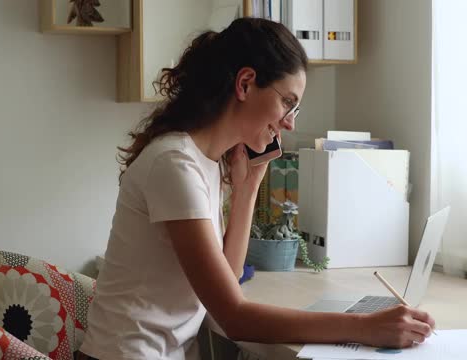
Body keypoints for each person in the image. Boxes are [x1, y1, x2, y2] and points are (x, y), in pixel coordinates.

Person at [78, 17, 435, 360]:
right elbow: (233, 315)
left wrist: (247, 189)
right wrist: (363, 327)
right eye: (288, 102)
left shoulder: (205, 161)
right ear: (245, 83)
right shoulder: (174, 164)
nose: (290, 123)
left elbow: (229, 278)